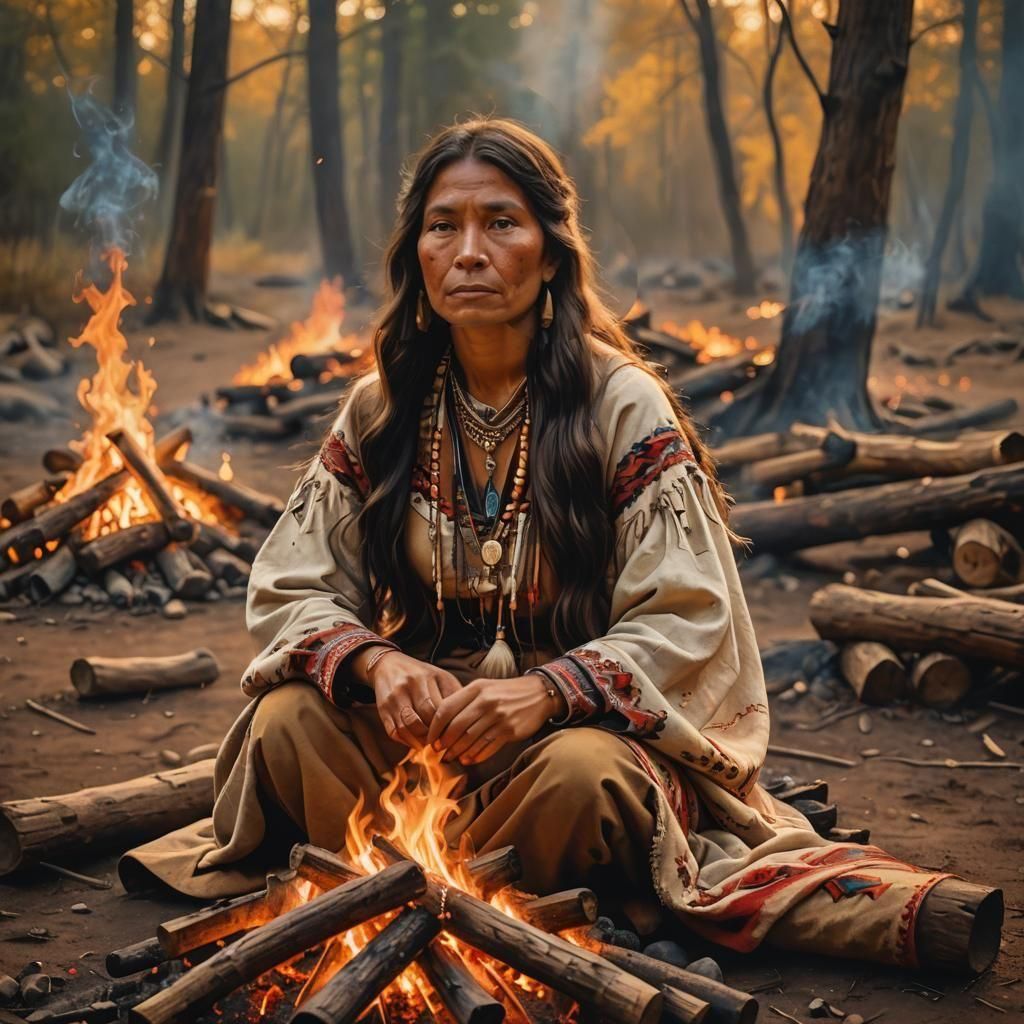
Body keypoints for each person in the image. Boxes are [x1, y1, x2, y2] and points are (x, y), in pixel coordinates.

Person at [121, 117, 996, 971]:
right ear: (415, 255)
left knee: (588, 780)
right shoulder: (382, 409)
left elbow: (690, 617)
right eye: (442, 226)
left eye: (500, 223)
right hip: (422, 735)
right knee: (284, 723)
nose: (469, 251)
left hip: (568, 741)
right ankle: (452, 887)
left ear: (551, 251)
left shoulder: (623, 405)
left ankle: (406, 891)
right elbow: (290, 584)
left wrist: (545, 693)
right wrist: (379, 668)